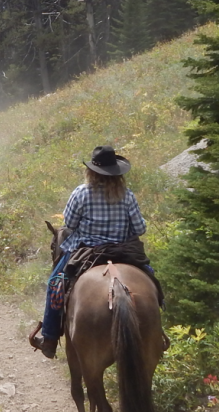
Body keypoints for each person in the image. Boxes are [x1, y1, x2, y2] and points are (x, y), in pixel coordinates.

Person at [29, 145, 147, 359]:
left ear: (91, 171)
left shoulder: (81, 193)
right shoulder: (127, 195)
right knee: (150, 279)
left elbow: (70, 224)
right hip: (123, 251)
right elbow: (140, 229)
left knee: (55, 284)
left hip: (87, 251)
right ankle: (157, 333)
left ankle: (50, 338)